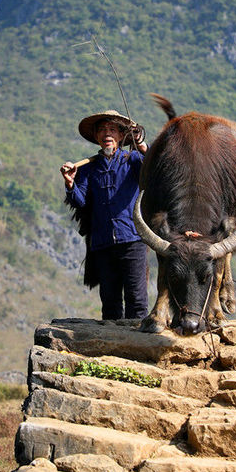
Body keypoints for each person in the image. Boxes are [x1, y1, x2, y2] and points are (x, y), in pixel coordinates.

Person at [60, 110, 149, 321]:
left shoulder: (133, 160)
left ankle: (138, 339)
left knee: (137, 300)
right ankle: (111, 340)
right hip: (103, 243)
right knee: (110, 302)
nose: (107, 133)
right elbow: (80, 201)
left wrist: (141, 144)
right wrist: (70, 183)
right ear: (96, 136)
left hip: (132, 239)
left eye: (112, 129)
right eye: (102, 130)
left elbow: (154, 167)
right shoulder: (88, 169)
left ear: (121, 135)